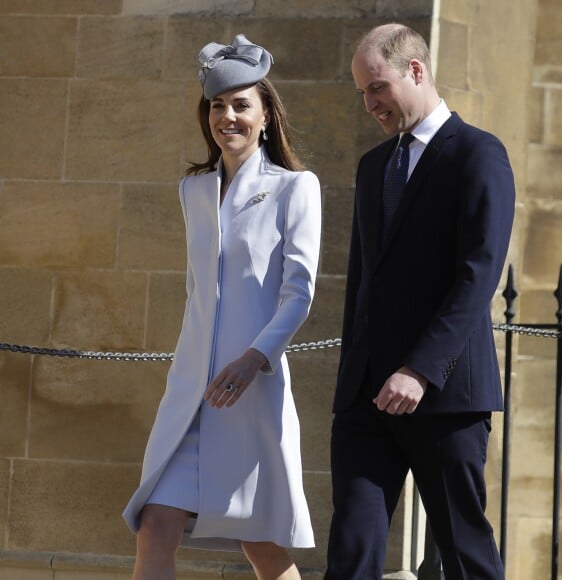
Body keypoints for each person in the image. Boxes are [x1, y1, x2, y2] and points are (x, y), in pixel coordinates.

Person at [123, 34, 321, 580]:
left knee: (261, 546)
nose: (227, 115)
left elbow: (299, 294)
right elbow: (196, 293)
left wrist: (252, 359)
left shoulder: (296, 188)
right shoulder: (193, 191)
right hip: (190, 394)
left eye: (241, 104)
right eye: (217, 105)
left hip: (250, 392)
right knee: (156, 522)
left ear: (265, 117)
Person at [325, 23, 515, 580]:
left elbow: (478, 276)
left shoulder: (478, 153)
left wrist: (421, 369)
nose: (369, 103)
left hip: (445, 398)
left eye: (376, 87)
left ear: (416, 70)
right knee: (351, 555)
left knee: (465, 557)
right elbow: (363, 284)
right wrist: (352, 384)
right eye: (362, 92)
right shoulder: (372, 167)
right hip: (366, 403)